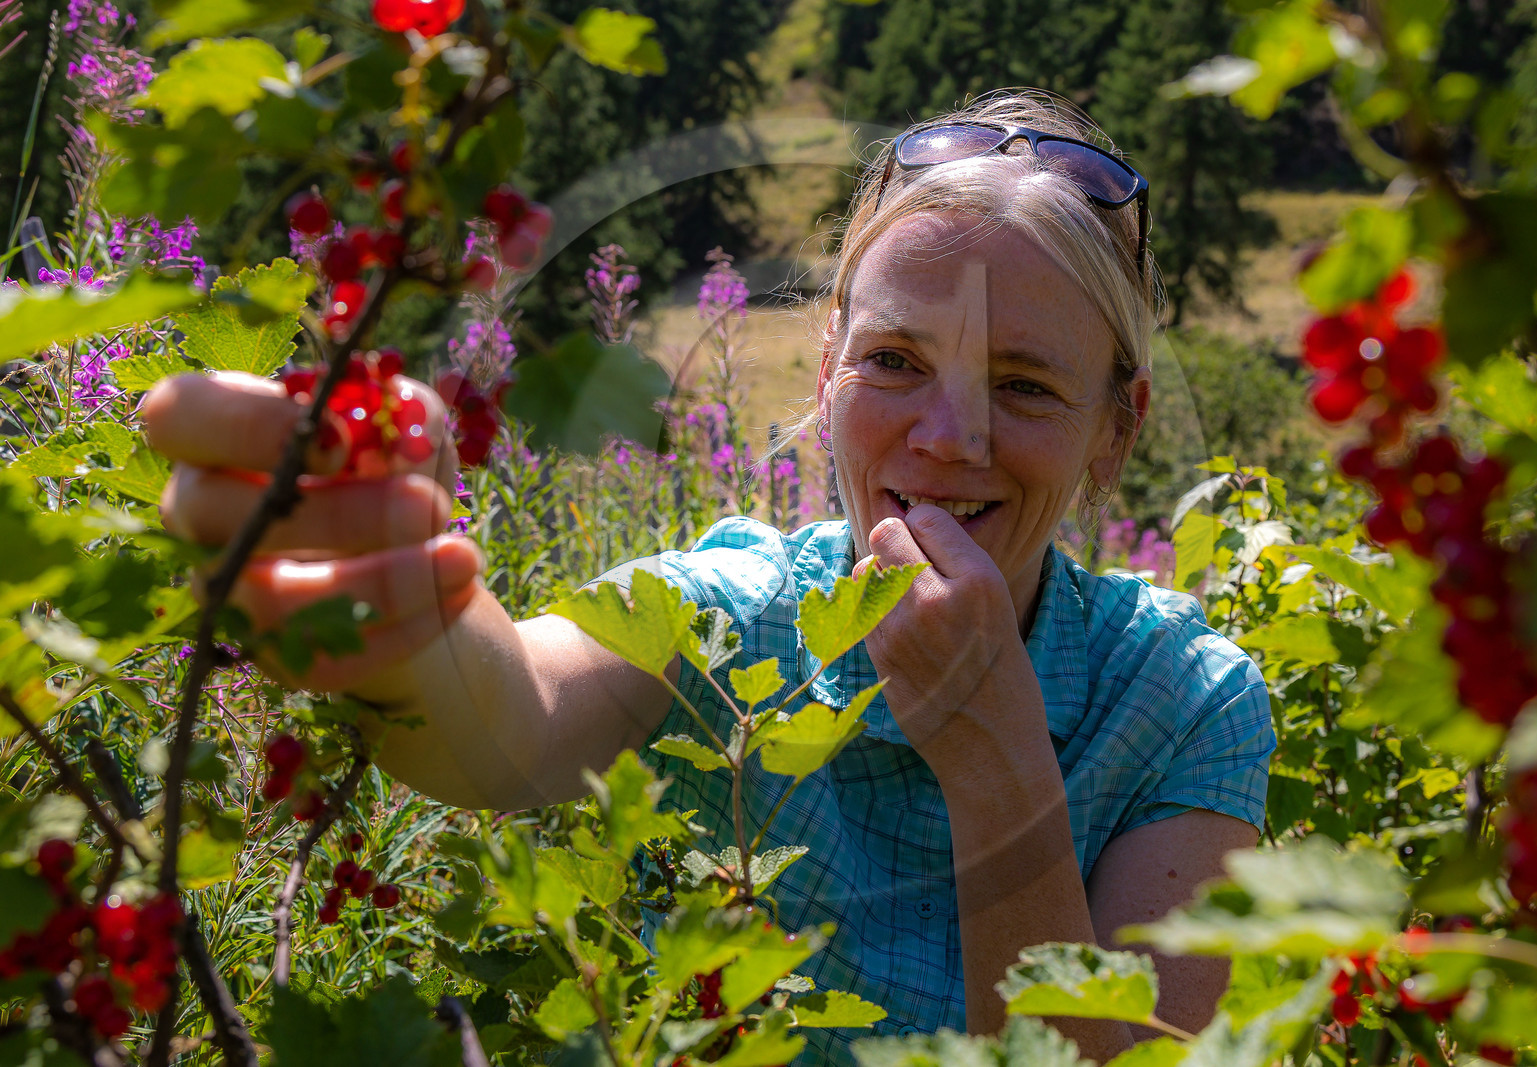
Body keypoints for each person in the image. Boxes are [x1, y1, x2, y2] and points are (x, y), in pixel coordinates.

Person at [144, 89, 1274, 1065]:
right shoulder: (737, 616)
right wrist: (399, 599)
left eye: (1024, 384)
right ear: (827, 372)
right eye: (894, 361)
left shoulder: (1183, 701)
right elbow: (506, 716)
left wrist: (997, 766)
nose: (947, 433)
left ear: (1115, 433)